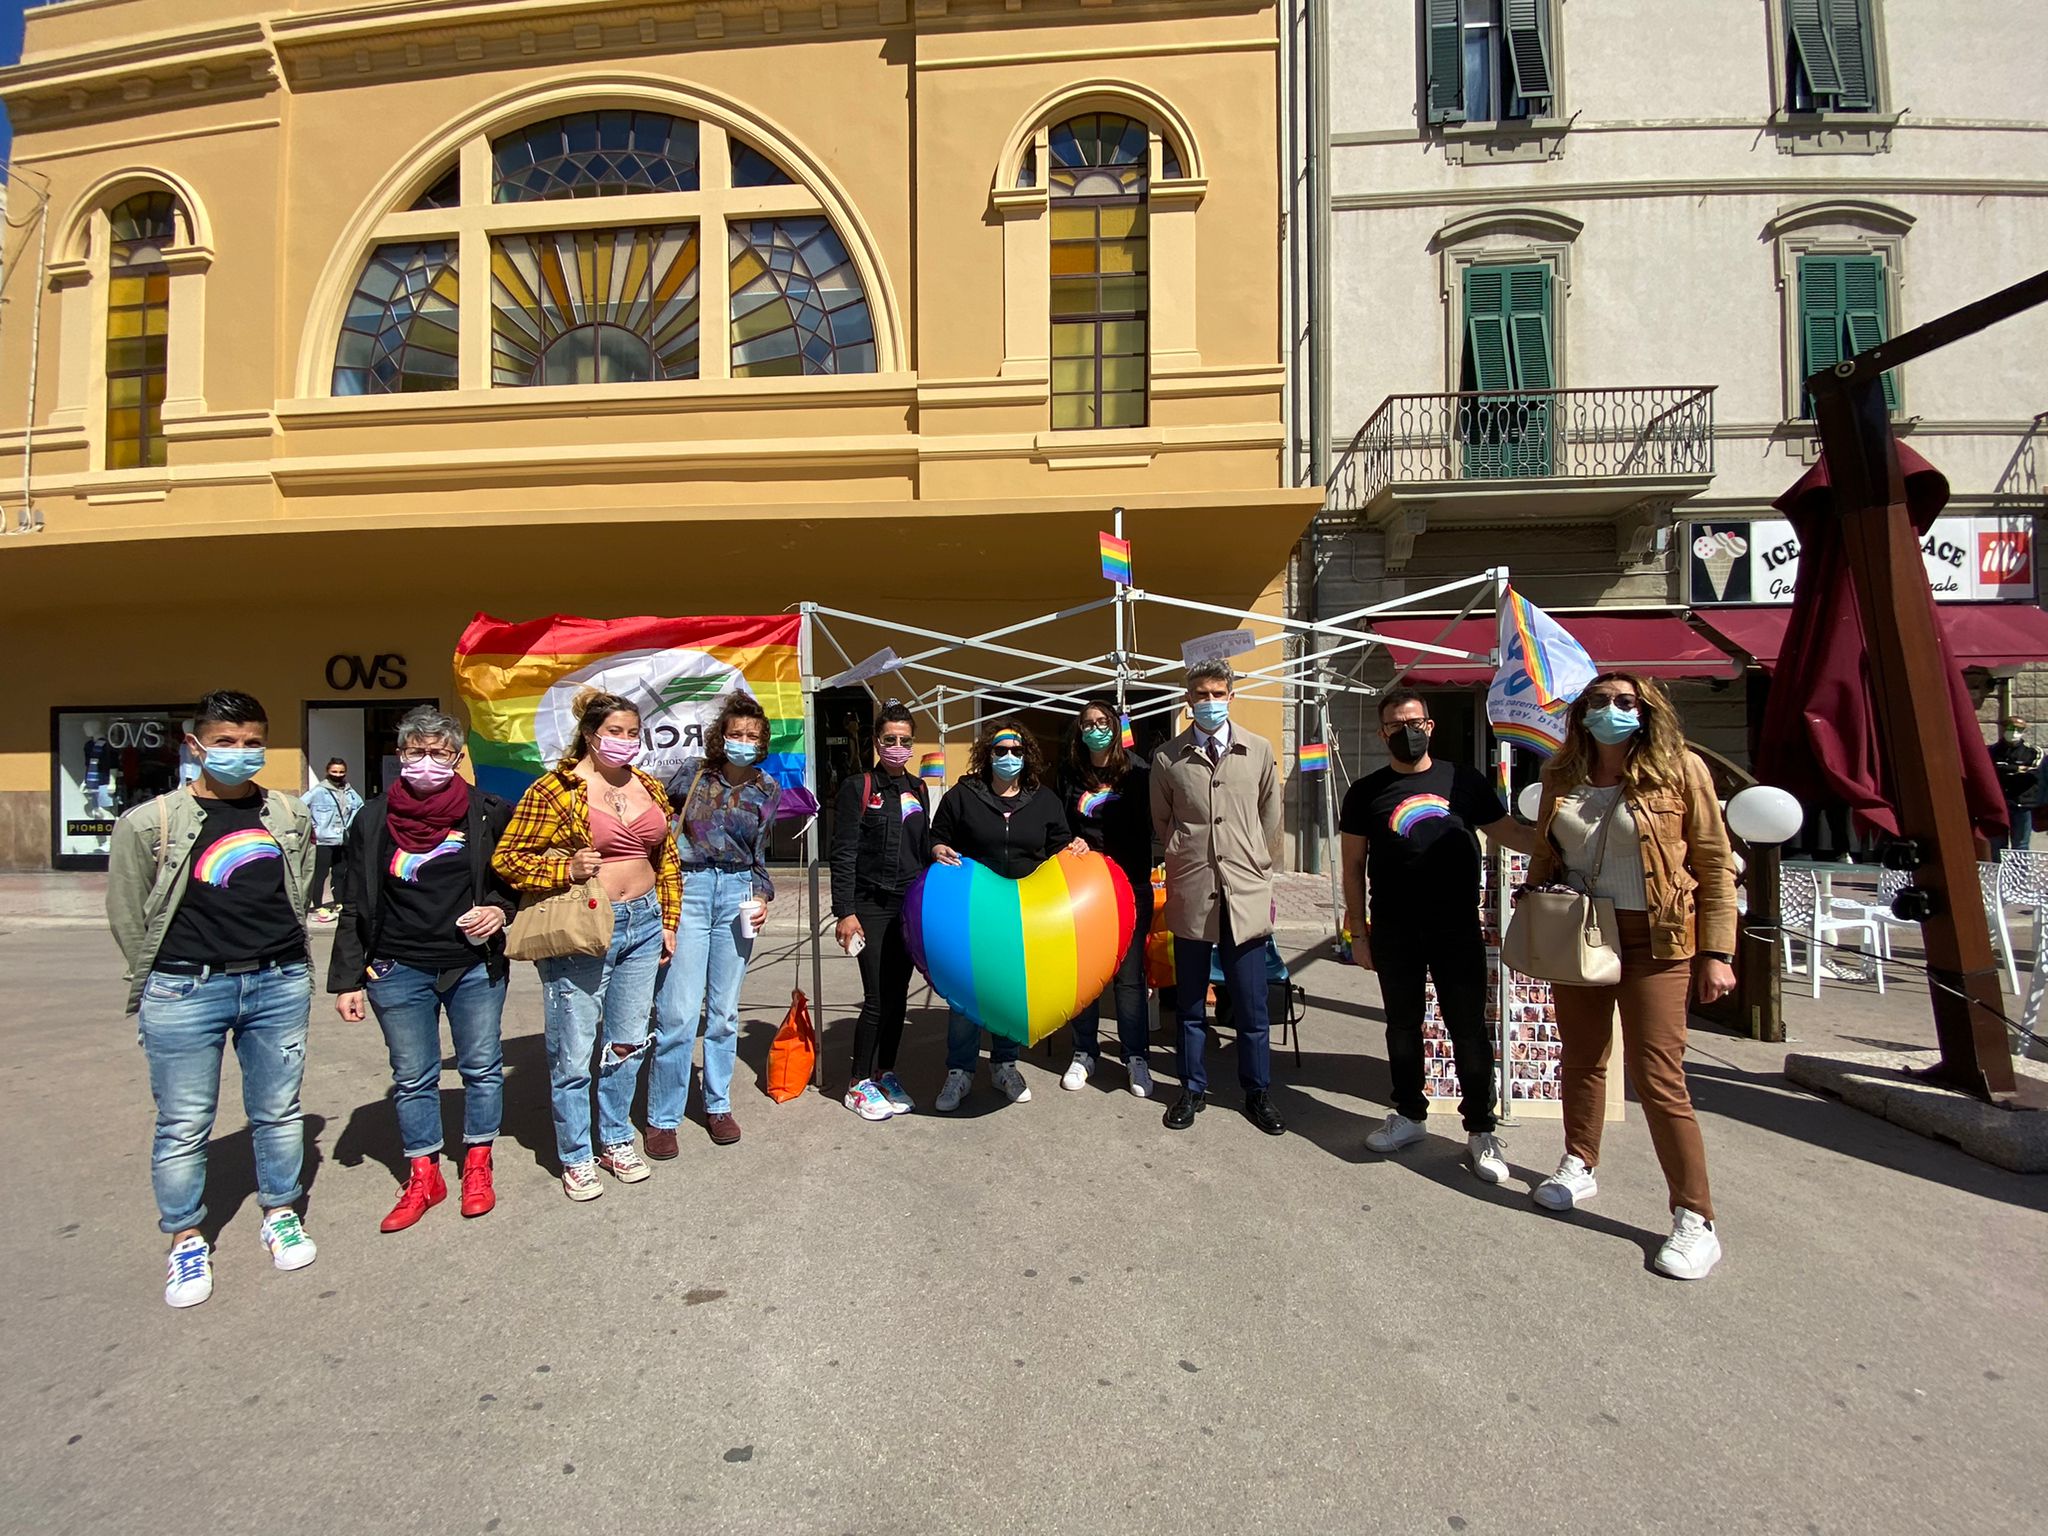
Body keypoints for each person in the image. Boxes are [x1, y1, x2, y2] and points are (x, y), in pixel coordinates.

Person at [105, 689, 320, 1308]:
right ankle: (186, 1238)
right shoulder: (149, 822)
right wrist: (159, 974)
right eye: (225, 742)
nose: (240, 752)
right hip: (185, 988)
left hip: (277, 980)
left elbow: (299, 889)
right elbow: (128, 913)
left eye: (252, 742)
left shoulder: (288, 813)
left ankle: (280, 1211)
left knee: (278, 1110)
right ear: (195, 745)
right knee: (183, 1122)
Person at [1523, 672, 1737, 1281]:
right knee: (1582, 1056)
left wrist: (1717, 952)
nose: (1610, 711)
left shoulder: (1680, 770)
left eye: (1624, 702)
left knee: (1657, 1076)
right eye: (1598, 702)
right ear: (1581, 713)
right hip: (1582, 931)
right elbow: (1548, 853)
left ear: (1646, 712)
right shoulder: (1560, 774)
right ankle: (1579, 1163)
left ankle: (1695, 1218)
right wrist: (1534, 905)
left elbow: (1714, 863)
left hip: (1658, 940)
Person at [329, 707, 518, 1232]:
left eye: (440, 752)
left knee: (481, 1067)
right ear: (400, 755)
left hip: (472, 965)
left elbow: (513, 881)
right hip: (397, 966)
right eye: (417, 752)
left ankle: (477, 1163)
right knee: (413, 1076)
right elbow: (354, 899)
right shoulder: (372, 817)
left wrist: (499, 910)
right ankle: (424, 1173)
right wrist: (348, 978)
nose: (428, 761)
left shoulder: (488, 811)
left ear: (457, 758)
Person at [1340, 688, 1537, 1182]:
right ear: (1382, 733)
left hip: (1456, 927)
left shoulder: (1463, 781)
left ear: (1430, 726)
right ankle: (1409, 1114)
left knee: (1467, 1028)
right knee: (1402, 1026)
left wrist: (1559, 839)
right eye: (1396, 725)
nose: (1407, 731)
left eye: (1415, 722)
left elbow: (1510, 833)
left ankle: (1480, 1128)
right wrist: (1358, 933)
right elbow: (1352, 866)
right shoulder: (1365, 792)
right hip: (1394, 928)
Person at [493, 689, 681, 1201]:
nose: (625, 741)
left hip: (644, 922)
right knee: (573, 1053)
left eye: (633, 732)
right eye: (615, 731)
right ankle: (576, 1154)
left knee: (626, 1042)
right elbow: (508, 859)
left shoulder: (646, 784)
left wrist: (668, 919)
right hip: (584, 928)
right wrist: (566, 869)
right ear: (590, 734)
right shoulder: (555, 790)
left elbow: (666, 858)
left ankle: (615, 1139)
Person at [1150, 662, 1286, 1136]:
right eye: (1200, 693)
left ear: (1231, 696)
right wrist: (1185, 854)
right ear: (1188, 699)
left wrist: (1257, 864)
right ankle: (1191, 1088)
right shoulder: (1168, 758)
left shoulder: (1259, 750)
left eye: (1217, 692)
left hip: (1245, 890)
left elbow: (1270, 817)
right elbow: (1163, 821)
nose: (1209, 701)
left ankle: (1257, 1091)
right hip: (1193, 890)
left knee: (1250, 1003)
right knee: (1190, 1002)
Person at [929, 723, 1084, 1111]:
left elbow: (1059, 847)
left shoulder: (1044, 799)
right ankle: (960, 1070)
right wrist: (937, 848)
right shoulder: (963, 796)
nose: (1009, 757)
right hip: (973, 913)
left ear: (1027, 756)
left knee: (1010, 990)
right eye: (1001, 750)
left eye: (1016, 750)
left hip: (1023, 915)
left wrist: (1075, 847)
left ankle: (1004, 1066)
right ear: (988, 755)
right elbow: (936, 835)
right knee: (966, 992)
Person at [652, 693, 782, 1151]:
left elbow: (760, 854)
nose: (743, 741)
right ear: (721, 737)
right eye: (735, 733)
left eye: (752, 735)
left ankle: (718, 1104)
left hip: (737, 892)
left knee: (724, 1013)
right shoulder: (693, 774)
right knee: (679, 1011)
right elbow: (661, 829)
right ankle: (663, 1116)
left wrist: (762, 896)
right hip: (689, 888)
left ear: (762, 742)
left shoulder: (768, 789)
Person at [832, 702, 932, 1121]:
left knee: (897, 997)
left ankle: (885, 1072)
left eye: (904, 740)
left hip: (907, 906)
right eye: (889, 739)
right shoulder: (859, 786)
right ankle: (857, 1084)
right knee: (875, 998)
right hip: (870, 905)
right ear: (877, 742)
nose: (897, 746)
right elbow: (844, 852)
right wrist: (845, 911)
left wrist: (939, 853)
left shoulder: (918, 788)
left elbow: (922, 846)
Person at [1058, 697, 1157, 1097]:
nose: (1095, 728)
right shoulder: (1070, 773)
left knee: (1129, 978)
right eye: (1088, 723)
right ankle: (1085, 1052)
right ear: (1079, 731)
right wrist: (1072, 841)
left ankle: (1136, 1058)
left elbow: (1150, 827)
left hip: (1130, 887)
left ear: (1116, 727)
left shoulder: (1138, 772)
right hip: (1086, 890)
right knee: (1087, 976)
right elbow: (1059, 826)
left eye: (1103, 722)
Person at [306, 756, 364, 922]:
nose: (338, 775)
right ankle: (318, 905)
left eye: (341, 772)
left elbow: (360, 809)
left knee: (340, 873)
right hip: (323, 841)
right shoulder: (317, 792)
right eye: (334, 772)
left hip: (343, 840)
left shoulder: (351, 793)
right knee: (320, 874)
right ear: (327, 771)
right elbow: (300, 808)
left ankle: (339, 901)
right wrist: (312, 828)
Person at [1989, 717, 2039, 852]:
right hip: (1998, 805)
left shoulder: (2033, 752)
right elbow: (1988, 771)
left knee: (2021, 845)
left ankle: (2020, 867)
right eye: (2010, 728)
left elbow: (2033, 773)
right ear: (2003, 729)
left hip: (2021, 804)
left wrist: (2004, 770)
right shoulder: (1991, 751)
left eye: (2019, 729)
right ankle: (1998, 867)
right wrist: (2016, 769)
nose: (2014, 732)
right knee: (1997, 845)